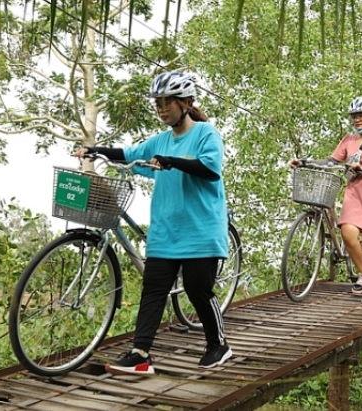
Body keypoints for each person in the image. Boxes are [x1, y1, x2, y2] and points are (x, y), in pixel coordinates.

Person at [73, 71, 231, 374]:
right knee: (153, 289)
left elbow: (210, 169)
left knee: (199, 289)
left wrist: (173, 161)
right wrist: (97, 150)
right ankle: (140, 353)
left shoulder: (205, 133)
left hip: (200, 229)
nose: (161, 109)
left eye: (166, 103)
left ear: (185, 102)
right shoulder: (160, 140)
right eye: (157, 104)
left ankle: (218, 344)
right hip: (165, 230)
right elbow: (129, 154)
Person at [289, 96, 362, 303]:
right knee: (348, 234)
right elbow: (331, 161)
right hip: (355, 192)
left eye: (360, 116)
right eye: (354, 116)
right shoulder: (348, 140)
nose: (357, 120)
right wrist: (304, 162)